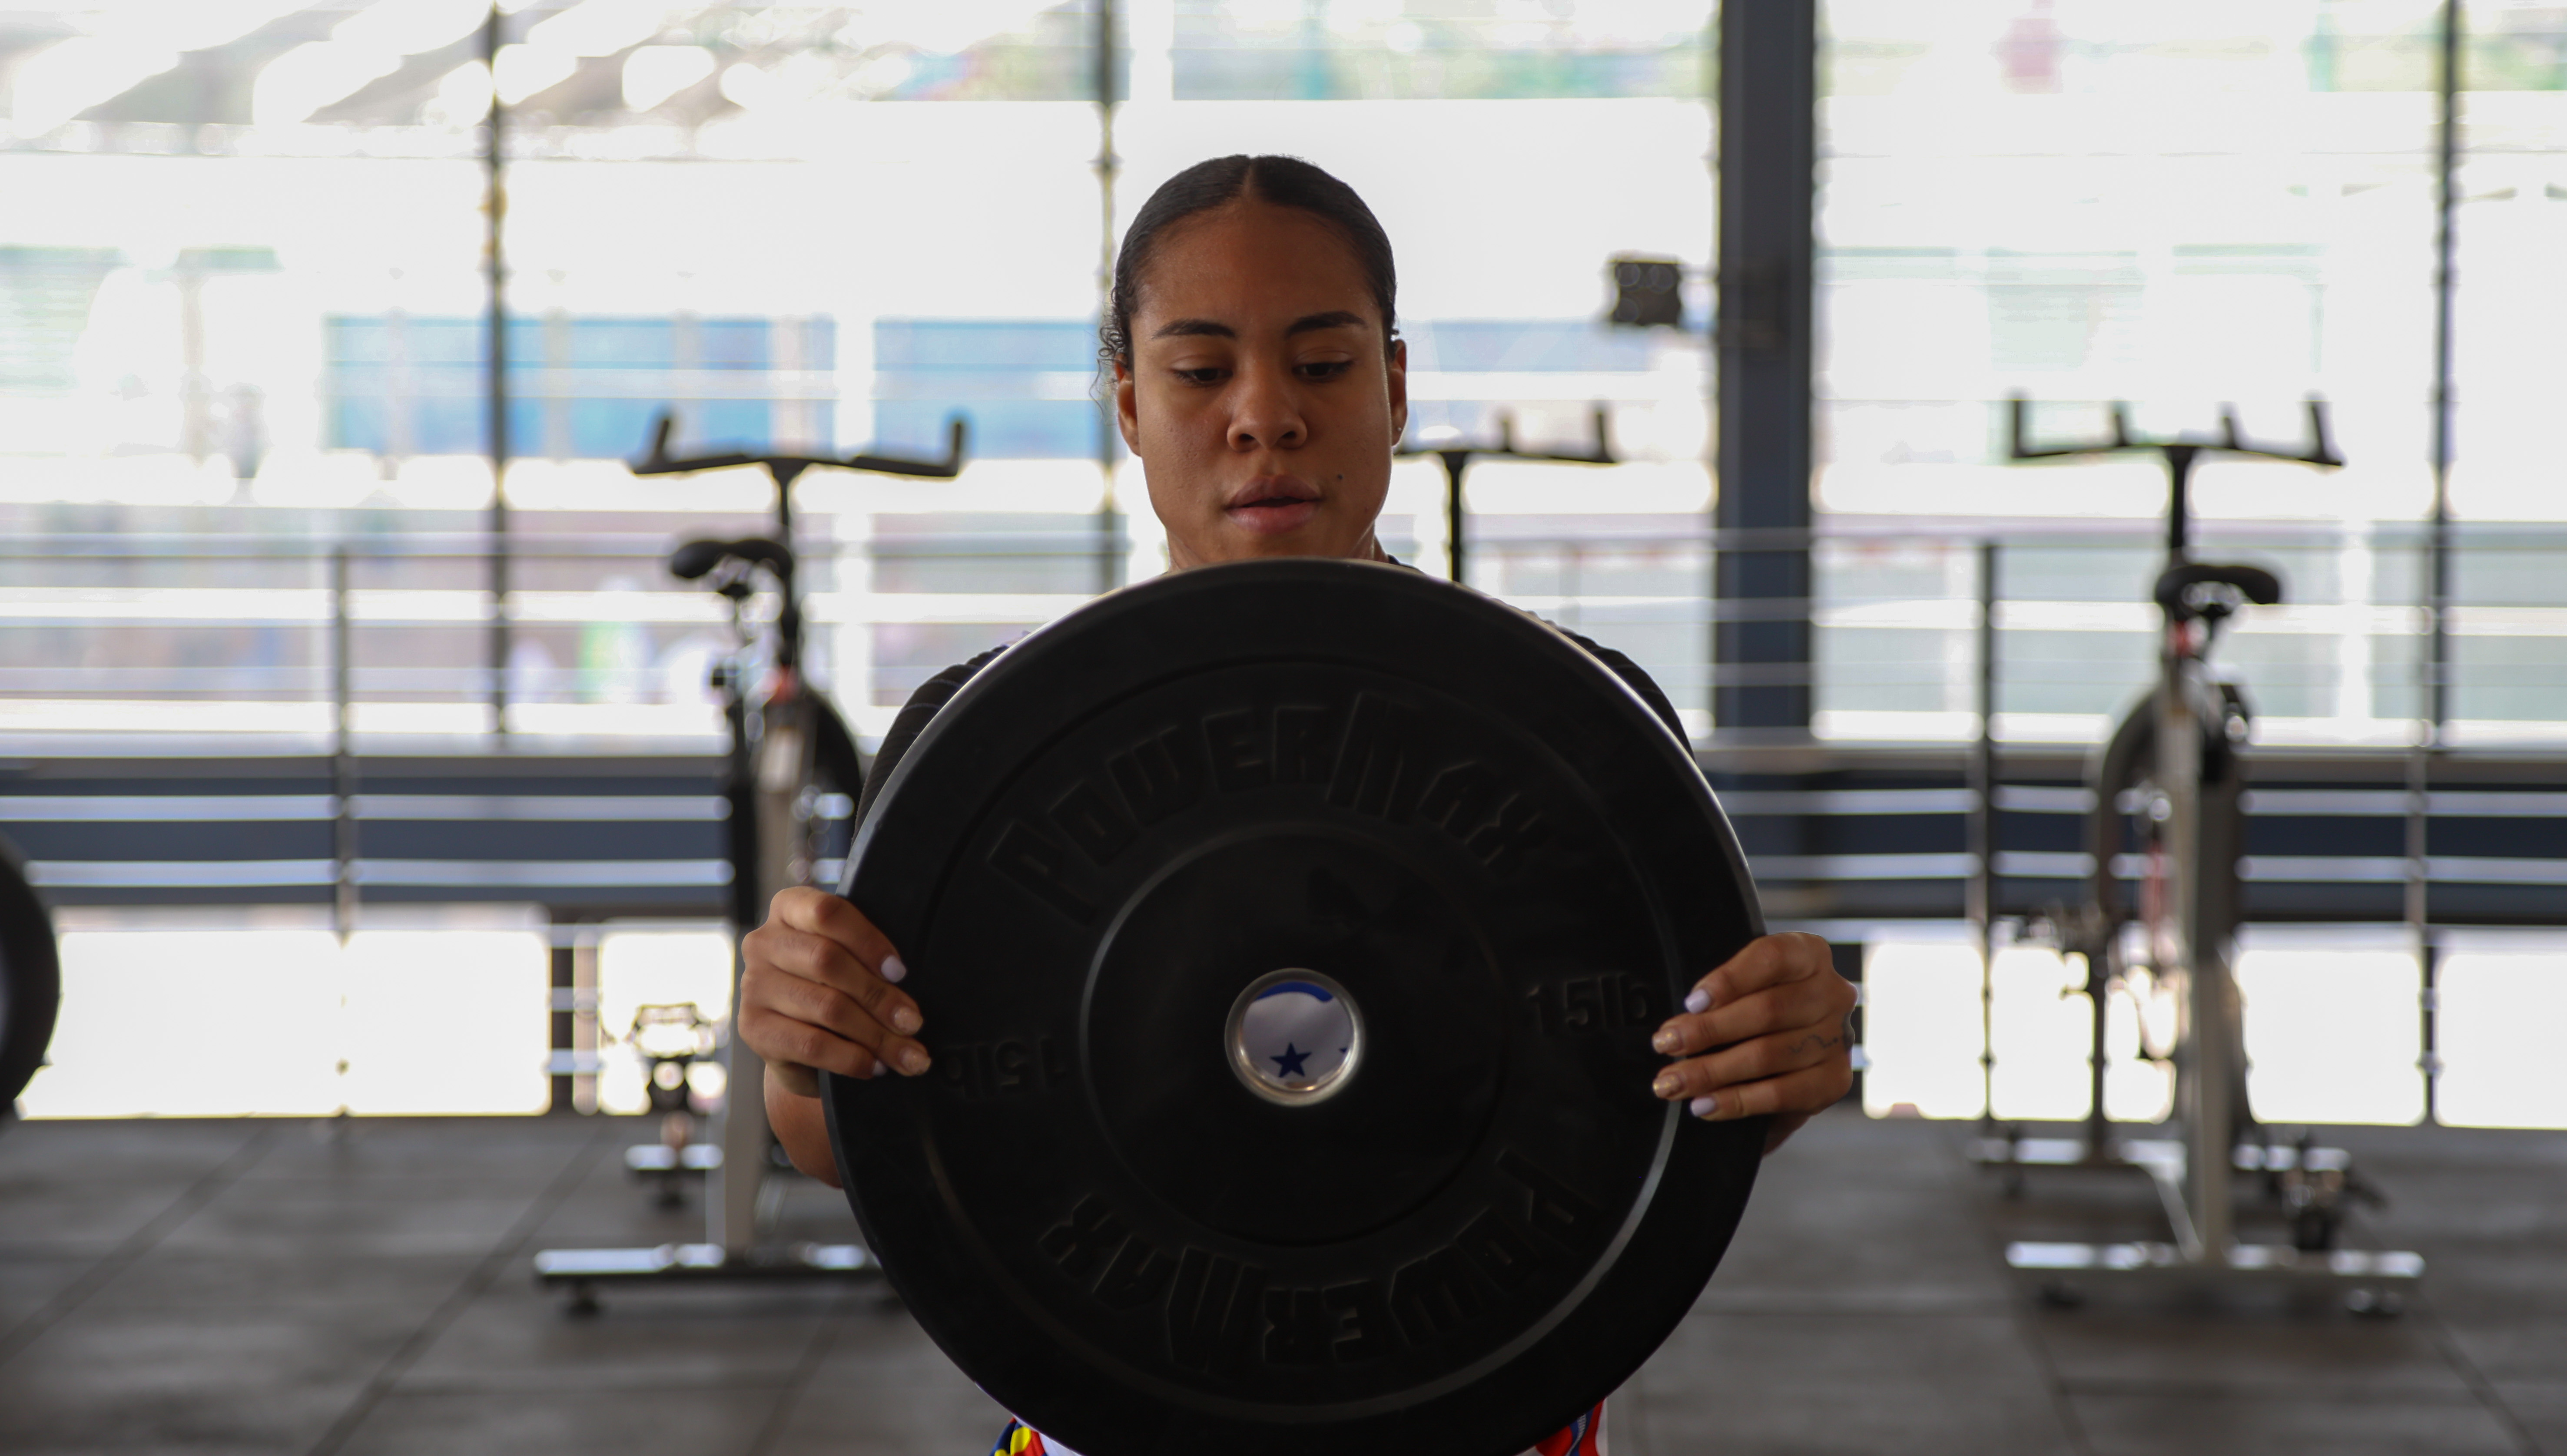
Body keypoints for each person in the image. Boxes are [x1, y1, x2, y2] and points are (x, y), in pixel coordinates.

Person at [740, 154, 1858, 1456]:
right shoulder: (976, 746)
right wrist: (803, 1034)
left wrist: (1780, 1060)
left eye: (1322, 367)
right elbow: (847, 1135)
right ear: (1129, 404)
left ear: (1393, 386)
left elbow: (1656, 1112)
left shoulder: (1584, 723)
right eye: (1201, 370)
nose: (1264, 416)